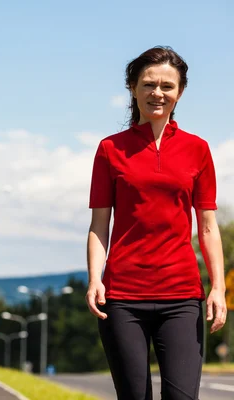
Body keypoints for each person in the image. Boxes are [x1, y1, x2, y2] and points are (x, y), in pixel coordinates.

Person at [86, 46, 227, 400]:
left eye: (167, 86)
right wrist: (94, 279)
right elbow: (99, 225)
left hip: (181, 296)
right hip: (121, 298)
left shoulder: (198, 149)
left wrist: (218, 288)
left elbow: (208, 226)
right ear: (133, 87)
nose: (157, 93)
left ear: (180, 92)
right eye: (149, 84)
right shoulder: (110, 149)